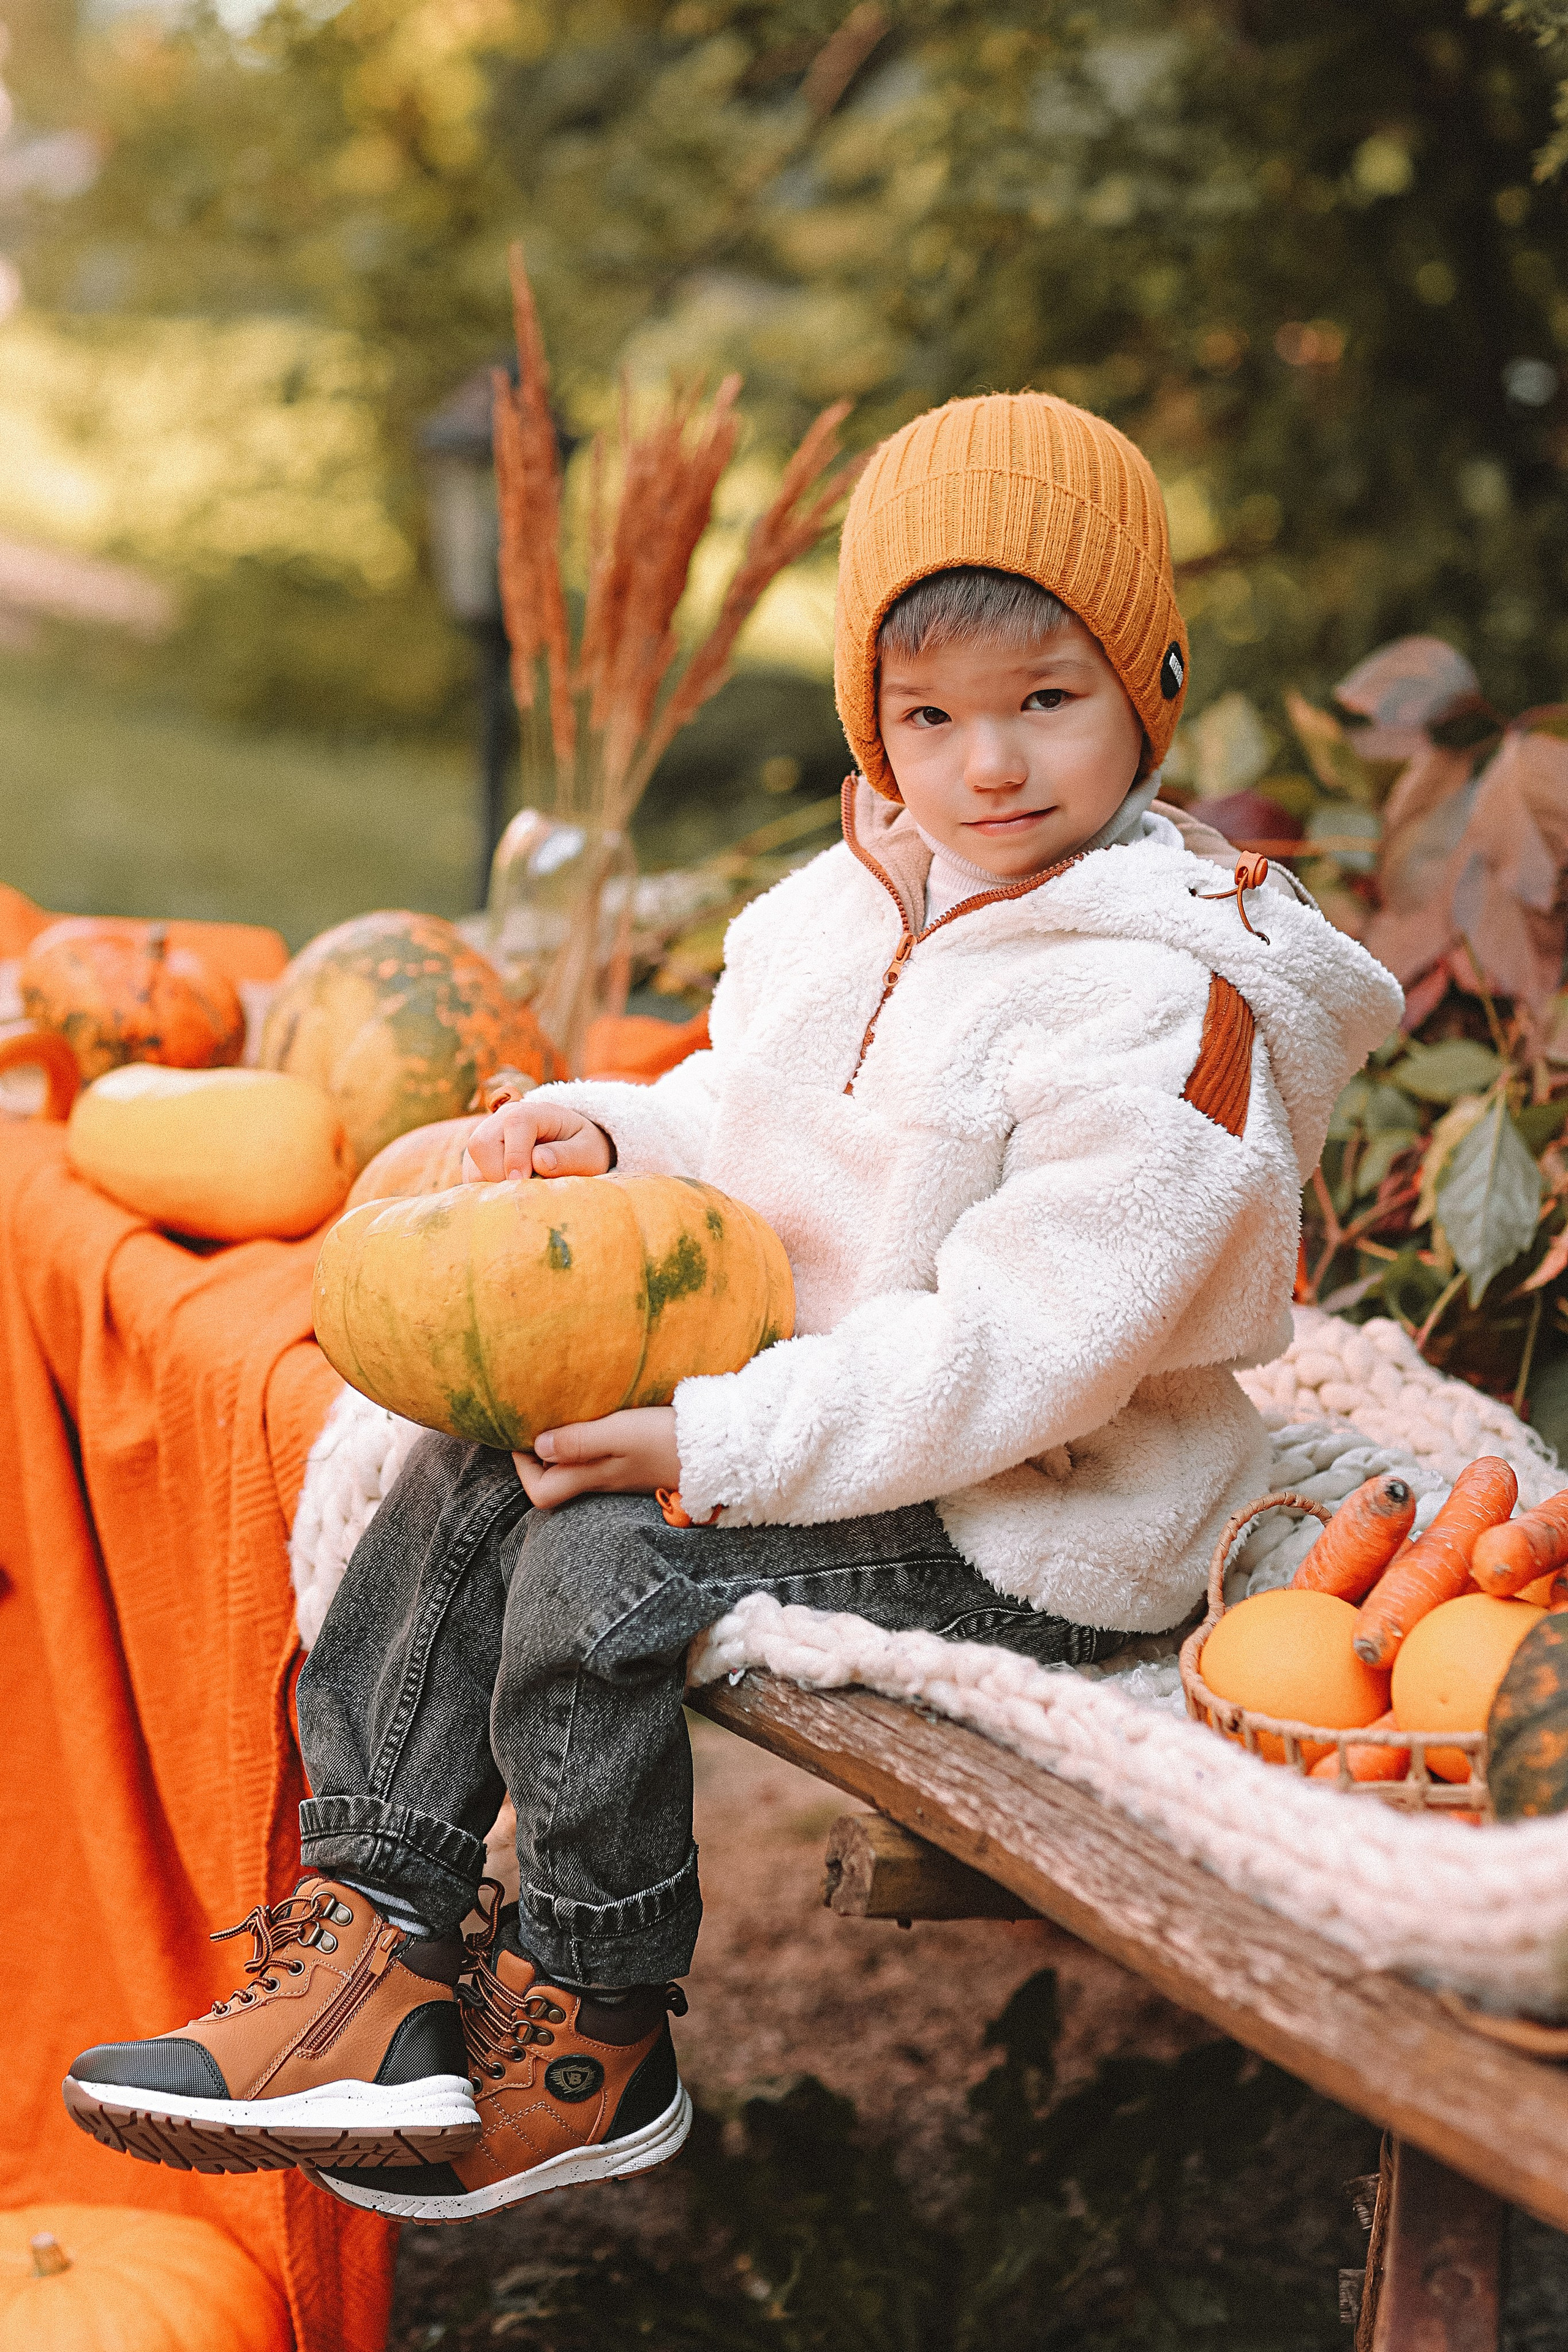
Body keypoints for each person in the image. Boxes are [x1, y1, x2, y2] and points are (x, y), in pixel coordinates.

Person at [63, 391, 1402, 2221]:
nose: (987, 766)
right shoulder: (855, 904)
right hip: (825, 1414)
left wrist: (719, 1441)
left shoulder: (1166, 1008)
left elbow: (1030, 1347)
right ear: (875, 723)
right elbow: (744, 1121)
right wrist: (609, 1132)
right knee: (482, 1457)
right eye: (927, 718)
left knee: (612, 1556)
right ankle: (373, 1937)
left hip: (1037, 1507)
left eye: (1045, 701)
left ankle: (599, 2013)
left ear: (1149, 684)